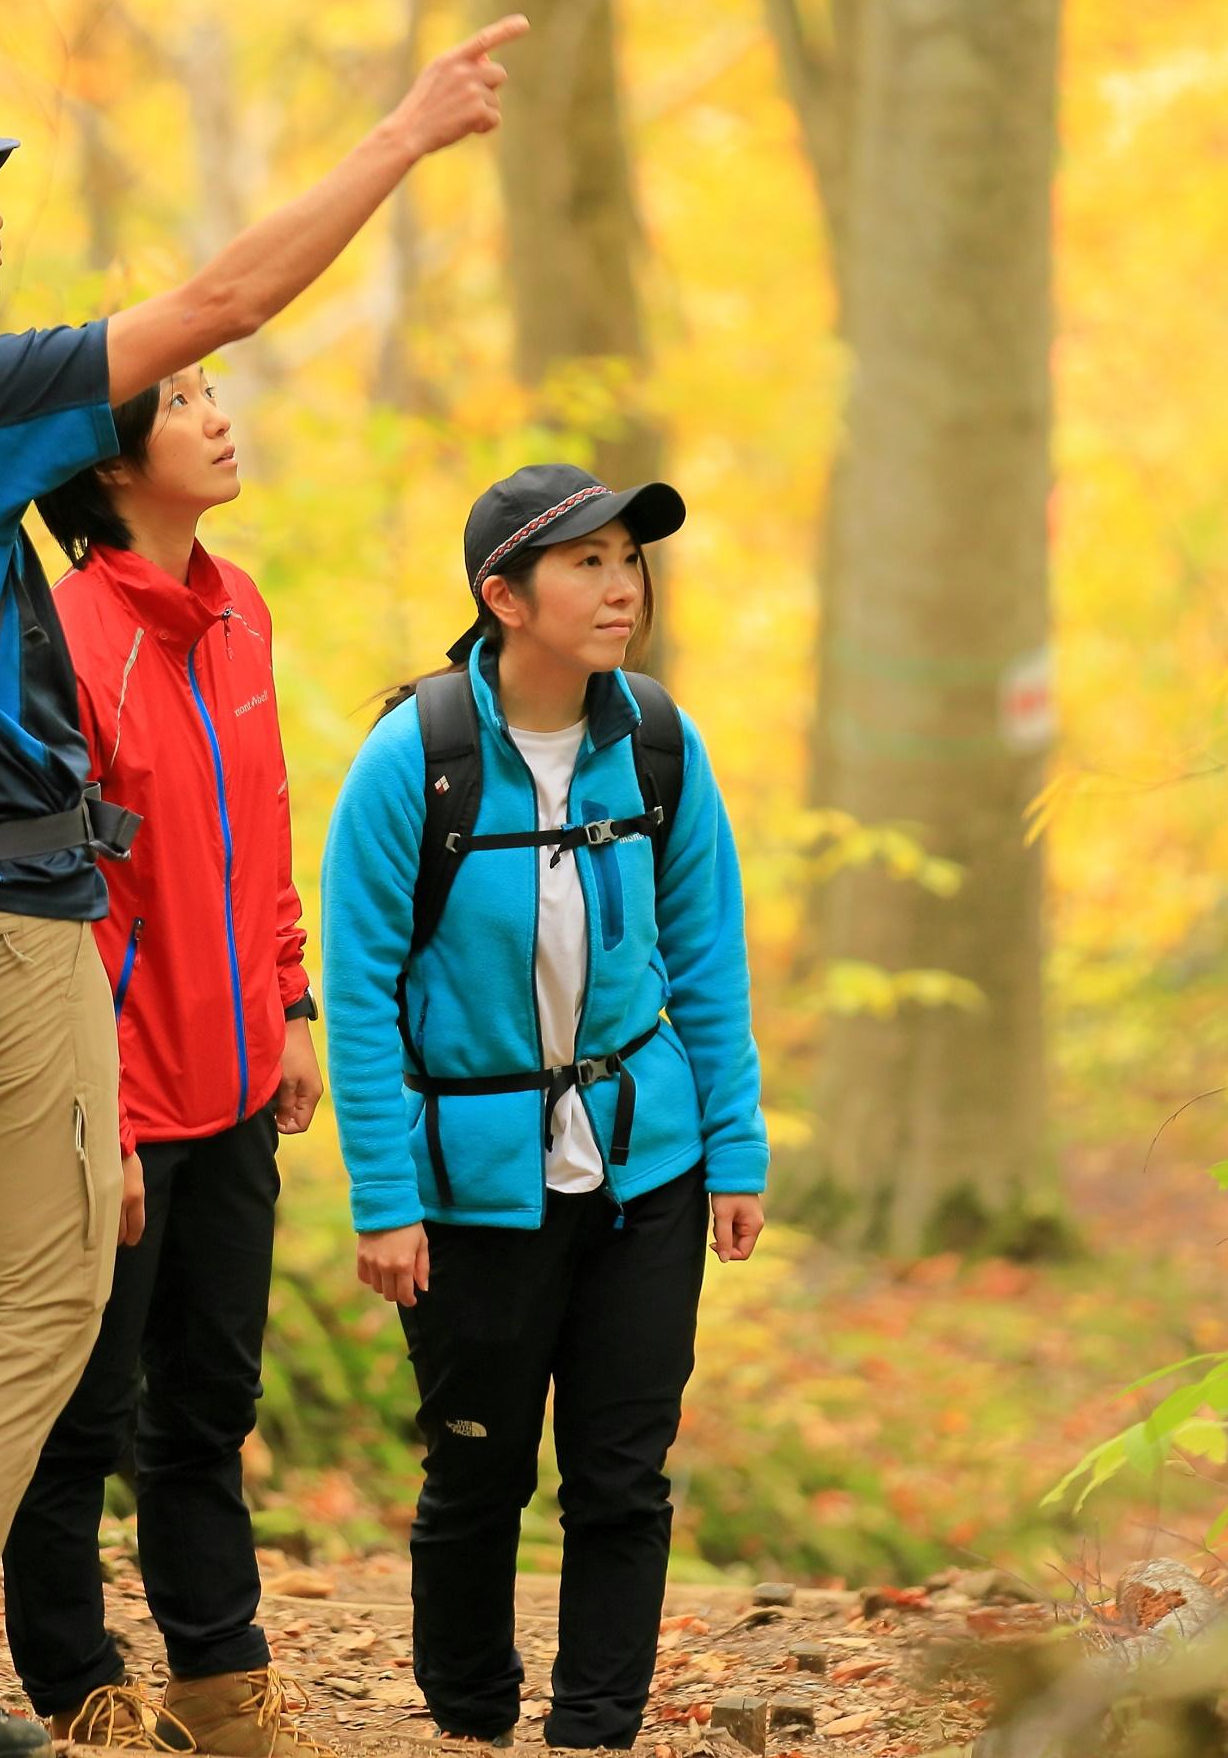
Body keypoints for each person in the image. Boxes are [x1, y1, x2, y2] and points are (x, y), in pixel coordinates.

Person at [0, 17, 530, 1758]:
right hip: (14, 920)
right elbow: (225, 303)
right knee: (40, 1312)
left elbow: (137, 461)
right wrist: (401, 135)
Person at [316, 465, 769, 1752]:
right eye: (586, 562)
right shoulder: (419, 759)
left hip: (650, 1168)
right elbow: (357, 999)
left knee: (623, 1481)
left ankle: (595, 1730)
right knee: (478, 1472)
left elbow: (708, 962)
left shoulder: (662, 745)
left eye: (630, 557)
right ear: (502, 596)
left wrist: (734, 1152)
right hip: (473, 1182)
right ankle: (470, 1723)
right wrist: (386, 1200)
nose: (622, 583)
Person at [0, 371, 323, 1757]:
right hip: (118, 1094)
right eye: (183, 401)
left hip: (239, 1078)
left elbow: (264, 807)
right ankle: (78, 1686)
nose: (218, 414)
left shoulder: (239, 606)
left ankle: (219, 1669)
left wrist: (293, 1001)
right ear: (114, 466)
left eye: (209, 392)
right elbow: (67, 896)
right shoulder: (66, 638)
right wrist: (108, 1118)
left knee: (210, 1401)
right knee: (83, 1410)